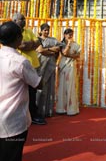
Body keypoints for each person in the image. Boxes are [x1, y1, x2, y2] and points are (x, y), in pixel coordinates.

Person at [0, 21, 41, 161]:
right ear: (18, 38)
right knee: (12, 155)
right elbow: (37, 84)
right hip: (13, 121)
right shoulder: (20, 61)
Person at [12, 12, 46, 125]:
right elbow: (21, 46)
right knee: (18, 93)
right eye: (21, 19)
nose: (24, 21)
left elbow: (37, 42)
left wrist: (28, 44)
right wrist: (30, 44)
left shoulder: (28, 31)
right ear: (14, 21)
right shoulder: (11, 33)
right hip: (19, 67)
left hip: (33, 65)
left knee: (32, 92)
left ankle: (33, 114)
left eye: (24, 19)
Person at [36, 23, 61, 117]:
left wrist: (47, 50)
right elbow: (40, 50)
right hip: (40, 66)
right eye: (45, 30)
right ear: (41, 30)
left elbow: (58, 49)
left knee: (50, 87)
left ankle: (48, 111)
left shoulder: (53, 40)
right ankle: (38, 112)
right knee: (40, 88)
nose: (46, 32)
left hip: (50, 66)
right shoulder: (37, 39)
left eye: (48, 30)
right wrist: (51, 50)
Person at [56, 28, 81, 115]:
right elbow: (64, 53)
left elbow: (78, 55)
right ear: (64, 35)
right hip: (63, 66)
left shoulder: (76, 45)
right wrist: (69, 45)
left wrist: (71, 55)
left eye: (71, 34)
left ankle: (72, 109)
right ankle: (61, 109)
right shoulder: (61, 44)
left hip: (71, 66)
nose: (70, 36)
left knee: (71, 85)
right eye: (68, 34)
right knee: (62, 86)